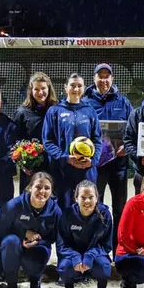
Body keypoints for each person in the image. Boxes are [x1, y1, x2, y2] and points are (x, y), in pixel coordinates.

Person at [82, 64, 133, 255]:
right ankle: (98, 248)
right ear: (94, 79)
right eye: (100, 76)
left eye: (107, 76)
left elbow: (132, 131)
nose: (104, 80)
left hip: (118, 164)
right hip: (96, 165)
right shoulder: (85, 102)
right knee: (96, 207)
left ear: (112, 79)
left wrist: (126, 147)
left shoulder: (123, 102)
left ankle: (117, 247)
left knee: (120, 207)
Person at [42, 73, 102, 211]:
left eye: (79, 86)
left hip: (86, 170)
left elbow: (98, 139)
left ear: (84, 88)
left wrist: (93, 161)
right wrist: (65, 158)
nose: (76, 89)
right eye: (72, 85)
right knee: (63, 208)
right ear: (65, 87)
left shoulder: (90, 111)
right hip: (62, 170)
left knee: (86, 207)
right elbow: (48, 141)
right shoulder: (54, 111)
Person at [0, 172, 60, 288]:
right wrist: (24, 233)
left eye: (47, 188)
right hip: (15, 244)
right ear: (29, 187)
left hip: (37, 247)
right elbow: (0, 230)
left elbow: (55, 237)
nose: (42, 191)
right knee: (10, 242)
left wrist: (38, 241)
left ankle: (35, 281)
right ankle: (11, 284)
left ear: (51, 191)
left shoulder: (55, 211)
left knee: (38, 257)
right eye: (38, 187)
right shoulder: (13, 206)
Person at [56, 180, 112, 288]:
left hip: (95, 256)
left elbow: (107, 244)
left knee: (104, 266)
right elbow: (61, 245)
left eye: (91, 197)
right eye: (83, 197)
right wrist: (75, 257)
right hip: (74, 256)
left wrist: (91, 255)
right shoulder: (67, 215)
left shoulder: (105, 215)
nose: (87, 201)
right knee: (64, 267)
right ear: (76, 198)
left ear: (97, 198)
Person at [13, 72, 58, 194]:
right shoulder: (22, 112)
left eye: (43, 88)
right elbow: (16, 141)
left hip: (53, 166)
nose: (40, 92)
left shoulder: (57, 110)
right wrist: (22, 163)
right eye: (36, 89)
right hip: (30, 169)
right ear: (30, 90)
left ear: (49, 89)